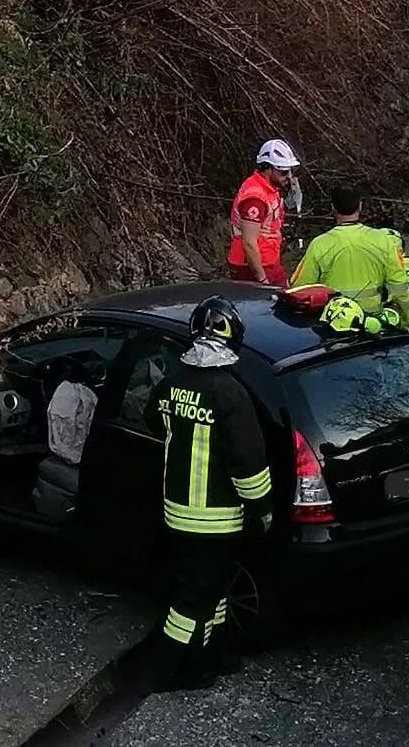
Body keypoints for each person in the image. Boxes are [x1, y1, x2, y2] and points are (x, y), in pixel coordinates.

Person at [139, 296, 274, 692]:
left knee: (212, 591)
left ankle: (208, 656)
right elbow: (248, 462)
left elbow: (152, 420)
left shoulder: (171, 383)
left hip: (176, 511)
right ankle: (170, 669)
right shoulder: (230, 394)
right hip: (215, 518)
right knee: (191, 601)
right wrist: (262, 509)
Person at [290, 187, 409, 326]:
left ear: (333, 208)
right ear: (360, 206)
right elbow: (399, 287)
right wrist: (408, 322)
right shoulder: (384, 240)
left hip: (334, 320)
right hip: (372, 320)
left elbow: (301, 287)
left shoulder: (320, 244)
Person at [228, 139, 301, 287]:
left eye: (290, 171)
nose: (289, 176)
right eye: (284, 172)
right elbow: (249, 243)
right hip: (252, 266)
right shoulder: (255, 198)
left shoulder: (268, 188)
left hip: (268, 261)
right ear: (268, 169)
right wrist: (262, 280)